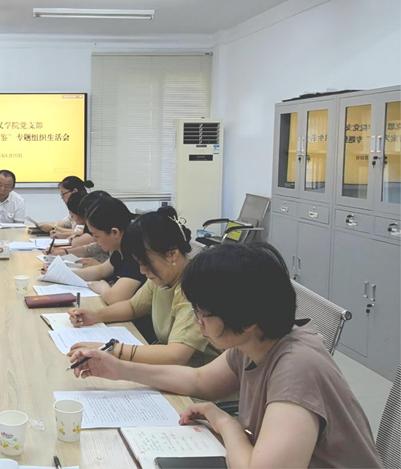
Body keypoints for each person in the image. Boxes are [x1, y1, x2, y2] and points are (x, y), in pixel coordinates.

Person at [69, 243, 383, 469]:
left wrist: (226, 422)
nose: (197, 323)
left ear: (246, 317)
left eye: (203, 314)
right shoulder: (255, 342)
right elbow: (200, 380)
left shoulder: (298, 367)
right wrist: (119, 368)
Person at [67, 207, 220, 367]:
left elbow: (176, 355)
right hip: (173, 368)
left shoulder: (194, 288)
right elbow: (133, 307)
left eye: (146, 263)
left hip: (197, 373)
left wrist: (111, 349)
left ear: (172, 254)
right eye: (139, 263)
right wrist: (95, 315)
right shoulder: (163, 278)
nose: (142, 271)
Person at [45, 196, 145, 304]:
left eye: (96, 236)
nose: (95, 241)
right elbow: (101, 271)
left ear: (115, 232)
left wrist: (102, 287)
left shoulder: (135, 253)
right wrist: (61, 274)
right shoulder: (119, 248)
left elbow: (115, 298)